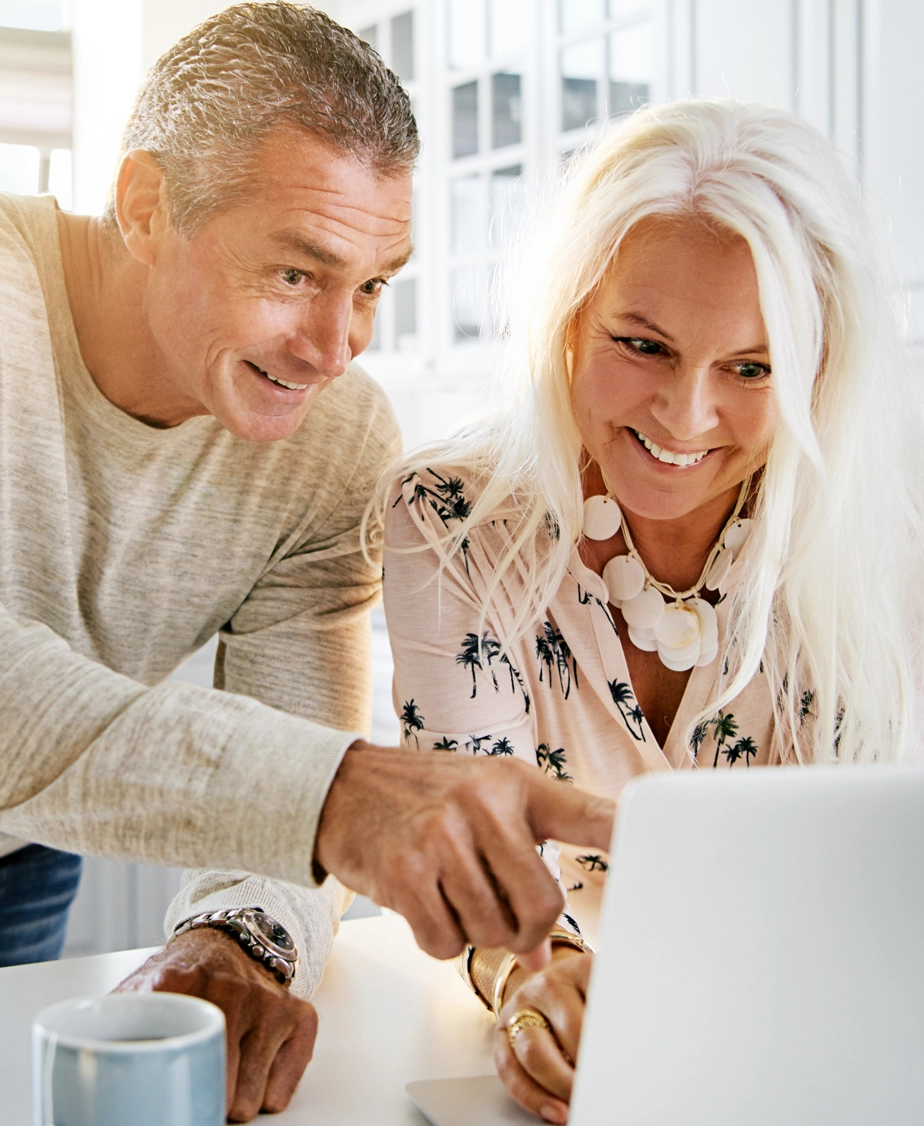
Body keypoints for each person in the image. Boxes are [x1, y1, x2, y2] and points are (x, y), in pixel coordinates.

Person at [0, 4, 613, 1120]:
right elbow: (313, 782)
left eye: (375, 284)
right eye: (295, 272)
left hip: (23, 855)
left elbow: (297, 734)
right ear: (147, 206)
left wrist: (235, 935)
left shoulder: (333, 445)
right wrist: (340, 793)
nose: (338, 348)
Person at [380, 98, 924, 1124]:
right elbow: (475, 850)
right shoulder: (450, 518)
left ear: (818, 370)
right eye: (644, 345)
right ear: (571, 317)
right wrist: (535, 989)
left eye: (752, 368)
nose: (686, 415)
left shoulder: (893, 533)